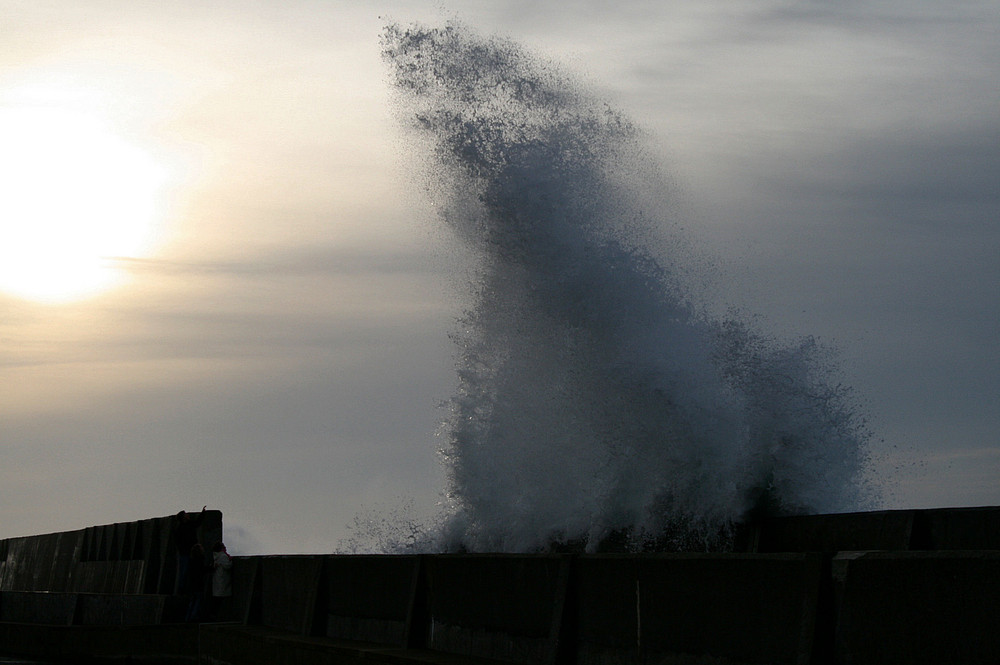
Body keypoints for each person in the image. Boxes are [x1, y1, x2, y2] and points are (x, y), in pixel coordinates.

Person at [174, 506, 206, 594]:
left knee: (184, 573)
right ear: (184, 518)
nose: (188, 515)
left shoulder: (179, 529)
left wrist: (202, 513)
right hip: (189, 553)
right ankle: (183, 590)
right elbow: (197, 523)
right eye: (186, 514)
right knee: (187, 572)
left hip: (185, 553)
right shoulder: (186, 526)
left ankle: (181, 591)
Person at [184, 543, 209, 622]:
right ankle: (194, 617)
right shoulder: (200, 560)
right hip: (198, 583)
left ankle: (188, 617)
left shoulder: (191, 560)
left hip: (191, 584)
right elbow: (202, 570)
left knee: (192, 601)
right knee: (198, 600)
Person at [210, 541, 233, 620]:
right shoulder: (223, 556)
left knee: (217, 599)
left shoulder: (216, 556)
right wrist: (231, 560)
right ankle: (221, 615)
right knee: (222, 599)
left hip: (217, 579)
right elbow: (228, 566)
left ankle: (214, 615)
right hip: (223, 579)